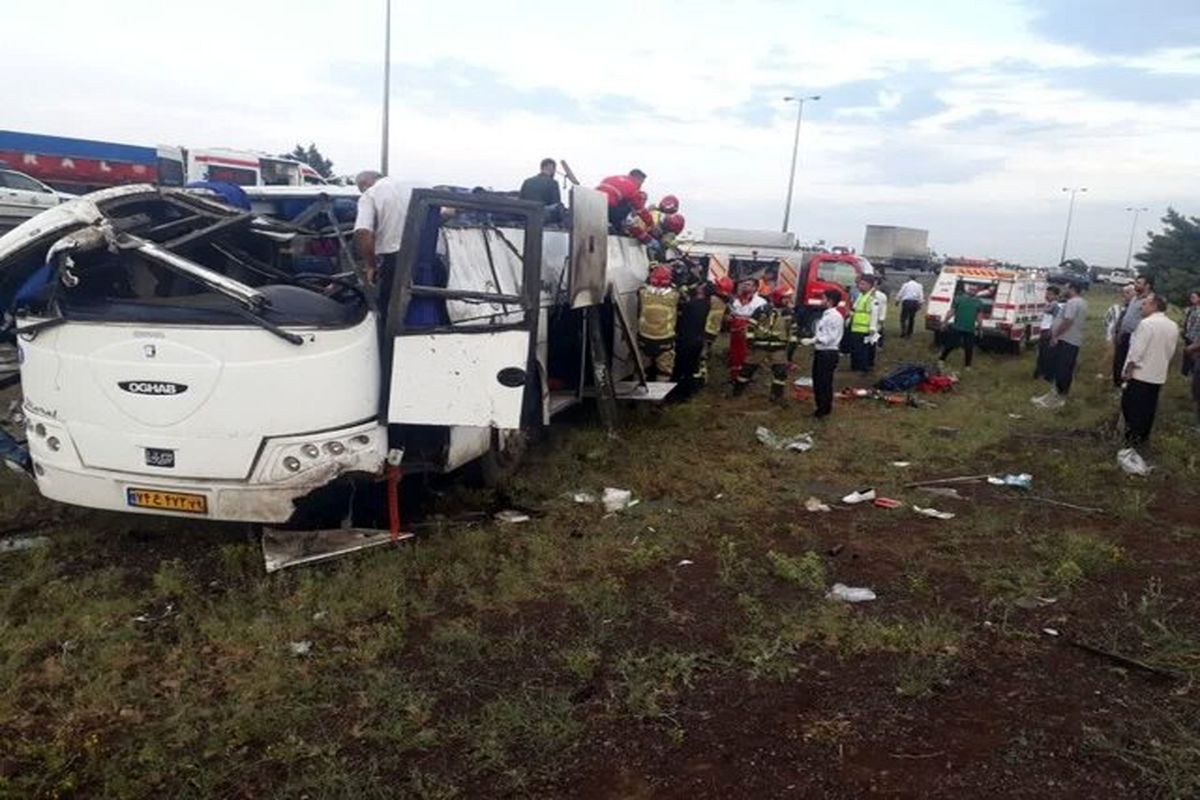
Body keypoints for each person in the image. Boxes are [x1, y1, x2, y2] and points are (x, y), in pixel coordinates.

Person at [1121, 294, 1178, 447]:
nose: (1141, 306)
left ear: (1154, 306)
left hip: (1140, 375)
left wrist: (1128, 372)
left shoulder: (1146, 324)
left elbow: (1137, 352)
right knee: (1148, 410)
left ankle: (1131, 440)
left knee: (1132, 409)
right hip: (1157, 375)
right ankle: (1142, 439)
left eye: (1145, 304)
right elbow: (1170, 352)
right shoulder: (1172, 325)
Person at [1034, 280, 1087, 408]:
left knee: (1061, 369)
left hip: (1066, 340)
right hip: (1071, 340)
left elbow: (1068, 321)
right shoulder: (1082, 302)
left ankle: (1058, 397)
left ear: (1072, 289)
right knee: (1064, 368)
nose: (1064, 289)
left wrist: (1056, 335)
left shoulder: (1073, 302)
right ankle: (1055, 394)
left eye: (1066, 287)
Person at [353, 170, 408, 295]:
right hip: (427, 257)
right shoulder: (407, 187)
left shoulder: (370, 194)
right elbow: (447, 213)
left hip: (394, 259)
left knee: (388, 304)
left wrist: (370, 265)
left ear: (364, 185)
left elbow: (363, 231)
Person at [801, 288, 845, 418]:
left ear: (830, 301)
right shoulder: (827, 315)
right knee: (818, 380)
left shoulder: (834, 317)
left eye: (824, 298)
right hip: (822, 351)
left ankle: (823, 409)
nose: (822, 301)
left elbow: (830, 337)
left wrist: (813, 341)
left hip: (828, 352)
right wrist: (814, 340)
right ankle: (822, 407)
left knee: (823, 382)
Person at [636, 265, 679, 382]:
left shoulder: (643, 293)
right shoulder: (674, 295)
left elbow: (643, 286)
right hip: (665, 339)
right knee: (664, 371)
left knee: (641, 369)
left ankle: (638, 395)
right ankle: (658, 397)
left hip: (644, 338)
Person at [1113, 275, 1154, 389]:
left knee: (1130, 362)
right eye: (1136, 282)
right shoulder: (1135, 298)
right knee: (1119, 361)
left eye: (1139, 283)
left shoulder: (1149, 301)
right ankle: (1118, 385)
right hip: (1125, 334)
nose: (1136, 285)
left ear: (1147, 286)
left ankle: (1126, 386)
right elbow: (1127, 316)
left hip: (1136, 337)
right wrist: (1120, 332)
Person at [728, 279, 767, 393]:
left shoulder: (760, 302)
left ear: (755, 288)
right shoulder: (736, 300)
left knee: (747, 355)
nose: (745, 287)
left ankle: (746, 378)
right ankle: (734, 377)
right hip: (735, 333)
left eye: (748, 285)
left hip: (750, 333)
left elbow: (763, 320)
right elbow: (732, 314)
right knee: (734, 354)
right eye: (744, 284)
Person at [938, 283, 989, 370]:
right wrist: (944, 322)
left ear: (976, 292)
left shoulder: (978, 302)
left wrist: (980, 329)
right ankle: (941, 359)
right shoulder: (959, 299)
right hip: (957, 327)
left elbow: (979, 317)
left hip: (970, 329)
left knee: (969, 348)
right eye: (971, 289)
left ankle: (967, 366)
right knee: (950, 345)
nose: (972, 291)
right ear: (968, 290)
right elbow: (951, 312)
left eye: (974, 290)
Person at [699, 276, 733, 385]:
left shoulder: (711, 299)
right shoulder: (725, 303)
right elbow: (727, 318)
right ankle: (703, 373)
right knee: (705, 353)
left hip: (703, 331)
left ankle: (701, 377)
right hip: (713, 332)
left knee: (700, 355)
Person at [846, 275, 877, 374]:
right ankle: (855, 366)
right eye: (859, 284)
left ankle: (863, 368)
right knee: (855, 348)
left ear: (869, 285)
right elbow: (856, 309)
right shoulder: (861, 296)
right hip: (856, 327)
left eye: (863, 284)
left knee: (863, 350)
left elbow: (874, 313)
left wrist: (872, 328)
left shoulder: (871, 297)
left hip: (864, 329)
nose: (860, 286)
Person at [518, 158, 563, 223]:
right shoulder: (553, 183)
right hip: (542, 217)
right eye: (554, 168)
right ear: (550, 167)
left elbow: (520, 200)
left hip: (525, 217)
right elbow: (555, 203)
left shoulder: (527, 181)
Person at [1033, 285, 1062, 381]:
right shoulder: (1049, 303)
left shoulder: (1055, 305)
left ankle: (1045, 374)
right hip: (1044, 330)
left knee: (1046, 354)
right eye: (1047, 294)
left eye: (1050, 294)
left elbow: (1051, 315)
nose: (1047, 296)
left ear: (1056, 296)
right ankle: (1041, 372)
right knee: (1042, 353)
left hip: (1048, 331)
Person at [1180, 290, 1200, 376]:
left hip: (1196, 338)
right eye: (1191, 297)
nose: (1191, 299)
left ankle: (1192, 372)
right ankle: (1185, 372)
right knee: (1186, 353)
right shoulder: (1191, 309)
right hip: (1188, 335)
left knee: (1193, 355)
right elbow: (1188, 321)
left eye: (1194, 297)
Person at [869, 282, 887, 369]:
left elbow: (883, 307)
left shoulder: (881, 296)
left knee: (872, 340)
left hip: (875, 322)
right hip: (869, 321)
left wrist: (881, 319)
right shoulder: (864, 294)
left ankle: (870, 360)